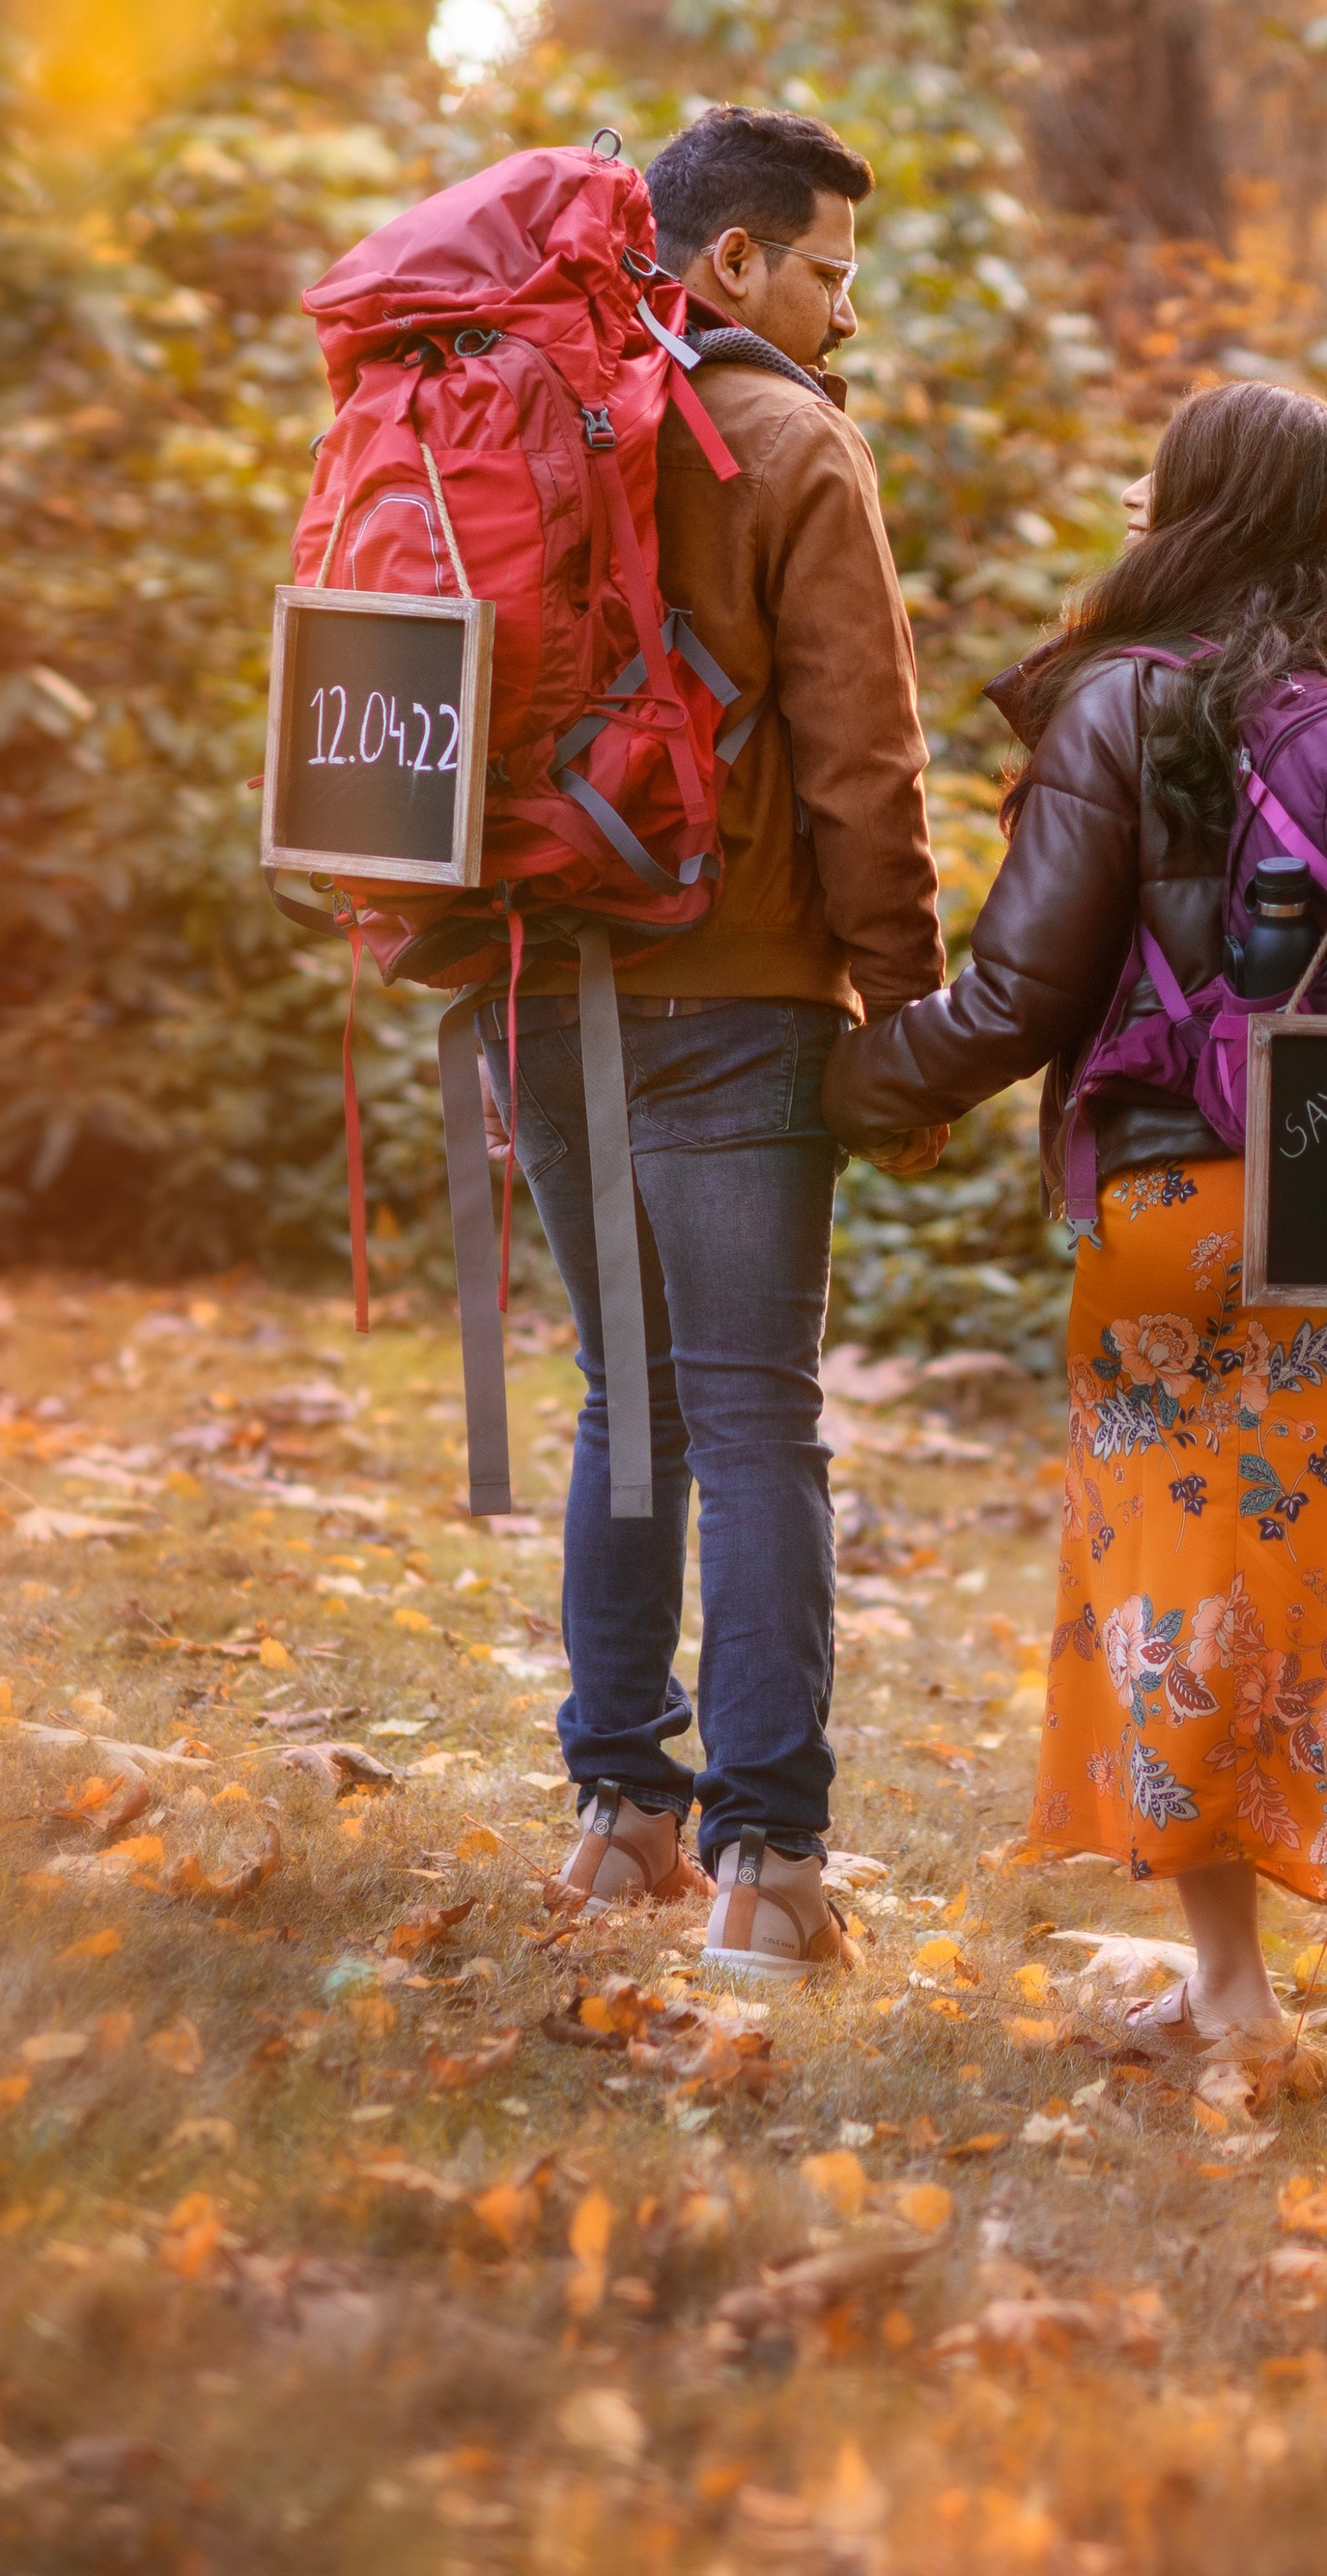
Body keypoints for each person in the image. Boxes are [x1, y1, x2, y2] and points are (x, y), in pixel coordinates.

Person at [823, 380, 1327, 2086]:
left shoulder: (1133, 706)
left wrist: (851, 1088)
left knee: (1183, 1592)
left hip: (1172, 1209)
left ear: (1183, 509)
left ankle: (1233, 1995)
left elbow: (1014, 992)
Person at [487, 103, 946, 1981]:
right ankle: (767, 1868)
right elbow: (863, 762)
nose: (846, 309)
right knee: (753, 1423)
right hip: (736, 1001)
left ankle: (620, 1822)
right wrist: (904, 1007)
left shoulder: (517, 421)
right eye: (829, 266)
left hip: (537, 988)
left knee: (628, 1401)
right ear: (733, 259)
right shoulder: (789, 443)